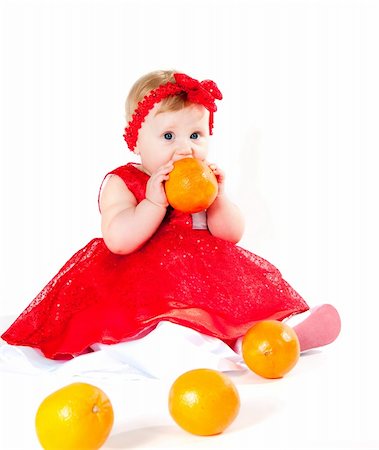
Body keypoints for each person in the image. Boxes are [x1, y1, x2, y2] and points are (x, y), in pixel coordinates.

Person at [1, 70, 341, 360]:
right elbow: (118, 240)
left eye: (196, 135)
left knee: (234, 313)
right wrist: (153, 204)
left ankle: (276, 340)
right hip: (143, 286)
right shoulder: (124, 181)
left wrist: (218, 197)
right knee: (166, 329)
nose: (185, 148)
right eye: (168, 136)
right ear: (135, 141)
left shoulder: (202, 179)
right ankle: (193, 352)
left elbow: (231, 234)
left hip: (206, 280)